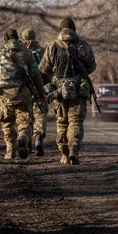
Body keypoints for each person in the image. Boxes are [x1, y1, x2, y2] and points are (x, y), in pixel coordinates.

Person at [38, 17, 97, 165]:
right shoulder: (83, 46)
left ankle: (64, 154)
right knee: (76, 121)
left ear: (61, 29)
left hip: (59, 91)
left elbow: (43, 69)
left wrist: (55, 80)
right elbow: (91, 67)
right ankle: (74, 150)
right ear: (74, 29)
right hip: (78, 90)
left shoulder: (52, 46)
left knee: (62, 122)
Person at [0, 29, 46, 160]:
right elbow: (36, 74)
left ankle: (10, 150)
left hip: (5, 95)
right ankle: (23, 137)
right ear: (18, 37)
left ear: (5, 39)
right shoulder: (27, 52)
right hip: (23, 94)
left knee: (7, 122)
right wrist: (41, 93)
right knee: (25, 121)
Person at [21, 28, 48, 156]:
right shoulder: (43, 51)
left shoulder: (21, 52)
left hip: (24, 90)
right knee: (40, 115)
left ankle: (26, 142)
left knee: (26, 117)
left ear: (23, 39)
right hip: (40, 88)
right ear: (35, 37)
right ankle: (38, 139)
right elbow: (48, 71)